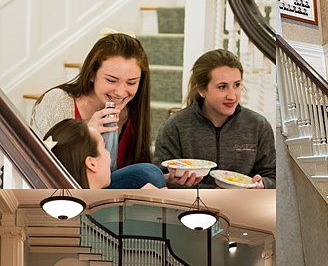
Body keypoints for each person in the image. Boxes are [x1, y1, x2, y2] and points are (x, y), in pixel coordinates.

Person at [30, 33, 164, 189]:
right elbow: (41, 168)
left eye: (131, 82)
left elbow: (127, 174)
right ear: (92, 74)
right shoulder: (58, 101)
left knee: (151, 175)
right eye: (111, 80)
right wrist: (85, 134)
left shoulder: (133, 112)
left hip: (112, 195)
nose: (120, 92)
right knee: (148, 173)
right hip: (67, 192)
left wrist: (166, 179)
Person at [153, 49, 275, 188]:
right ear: (202, 90)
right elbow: (159, 179)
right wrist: (171, 181)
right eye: (222, 87)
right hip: (191, 201)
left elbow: (274, 177)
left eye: (237, 85)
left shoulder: (258, 125)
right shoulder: (175, 126)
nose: (232, 96)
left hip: (245, 201)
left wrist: (263, 184)